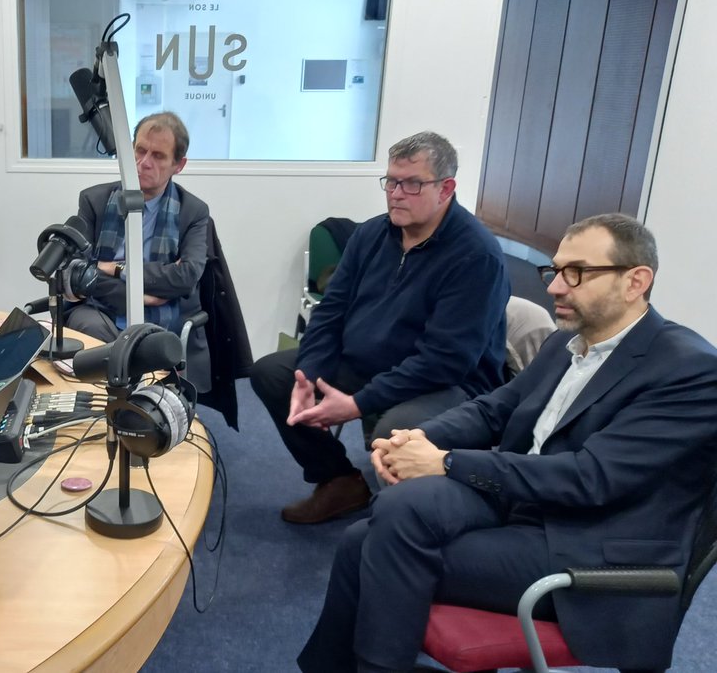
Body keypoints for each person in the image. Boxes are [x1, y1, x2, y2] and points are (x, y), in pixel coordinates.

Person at [299, 214, 717, 672]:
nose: (555, 287)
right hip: (524, 501)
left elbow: (591, 477)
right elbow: (494, 409)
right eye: (554, 270)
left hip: (588, 542)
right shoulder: (567, 344)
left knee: (374, 543)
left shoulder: (688, 370)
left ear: (636, 281)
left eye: (576, 273)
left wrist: (446, 462)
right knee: (379, 523)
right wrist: (416, 438)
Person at [250, 131, 510, 524]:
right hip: (370, 361)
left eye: (412, 184)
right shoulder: (372, 234)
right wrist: (309, 375)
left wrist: (357, 403)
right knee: (273, 374)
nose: (396, 194)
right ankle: (339, 481)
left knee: (394, 430)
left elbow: (445, 361)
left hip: (449, 384)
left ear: (446, 189)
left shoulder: (476, 255)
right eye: (391, 181)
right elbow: (330, 311)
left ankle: (400, 528)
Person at [66, 111, 214, 388]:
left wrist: (114, 268)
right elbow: (76, 273)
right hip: (101, 312)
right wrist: (137, 296)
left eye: (158, 156)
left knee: (145, 350)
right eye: (140, 150)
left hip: (163, 320)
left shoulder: (193, 211)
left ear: (178, 165)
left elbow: (186, 277)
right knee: (94, 331)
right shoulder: (94, 201)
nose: (144, 163)